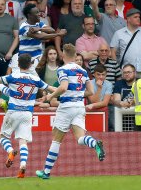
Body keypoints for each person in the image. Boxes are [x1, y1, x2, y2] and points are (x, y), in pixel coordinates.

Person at [0, 53, 55, 178]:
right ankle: (22, 165)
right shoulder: (36, 79)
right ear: (31, 65)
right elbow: (51, 89)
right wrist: (67, 90)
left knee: (3, 137)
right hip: (27, 113)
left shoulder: (14, 76)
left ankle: (10, 151)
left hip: (13, 111)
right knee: (23, 141)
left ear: (18, 64)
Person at [36, 44, 105, 180]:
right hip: (79, 106)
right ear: (74, 56)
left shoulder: (62, 69)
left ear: (63, 54)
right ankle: (94, 143)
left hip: (66, 108)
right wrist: (77, 94)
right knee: (80, 139)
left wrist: (50, 96)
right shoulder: (83, 71)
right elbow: (91, 91)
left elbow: (63, 87)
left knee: (56, 140)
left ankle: (46, 172)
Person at [110, 8, 141, 76]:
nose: (138, 18)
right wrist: (117, 69)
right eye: (135, 17)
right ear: (128, 19)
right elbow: (113, 51)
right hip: (127, 72)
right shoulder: (119, 33)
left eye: (139, 17)